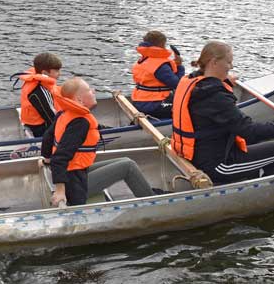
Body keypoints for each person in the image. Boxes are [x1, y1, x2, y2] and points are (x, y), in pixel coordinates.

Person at [171, 41, 274, 185]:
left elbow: (208, 95)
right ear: (214, 62)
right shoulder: (215, 97)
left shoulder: (191, 81)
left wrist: (225, 82)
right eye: (228, 62)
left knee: (254, 143)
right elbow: (249, 130)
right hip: (217, 167)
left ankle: (253, 182)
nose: (231, 66)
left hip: (194, 156)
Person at [41, 77, 155, 206]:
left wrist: (46, 159)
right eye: (89, 90)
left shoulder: (64, 113)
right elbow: (59, 158)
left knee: (125, 160)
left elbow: (47, 137)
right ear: (79, 99)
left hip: (76, 173)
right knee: (128, 166)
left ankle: (149, 195)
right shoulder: (80, 123)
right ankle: (154, 203)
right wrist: (60, 190)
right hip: (74, 186)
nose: (94, 91)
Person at [131, 30, 185, 119]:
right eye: (164, 45)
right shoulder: (160, 66)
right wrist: (179, 67)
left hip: (138, 102)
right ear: (161, 45)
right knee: (189, 104)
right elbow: (178, 85)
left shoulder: (143, 60)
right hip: (154, 105)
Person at [18, 52, 63, 137]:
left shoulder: (39, 82)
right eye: (57, 71)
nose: (60, 73)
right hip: (40, 128)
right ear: (45, 73)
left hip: (36, 121)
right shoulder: (38, 91)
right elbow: (51, 118)